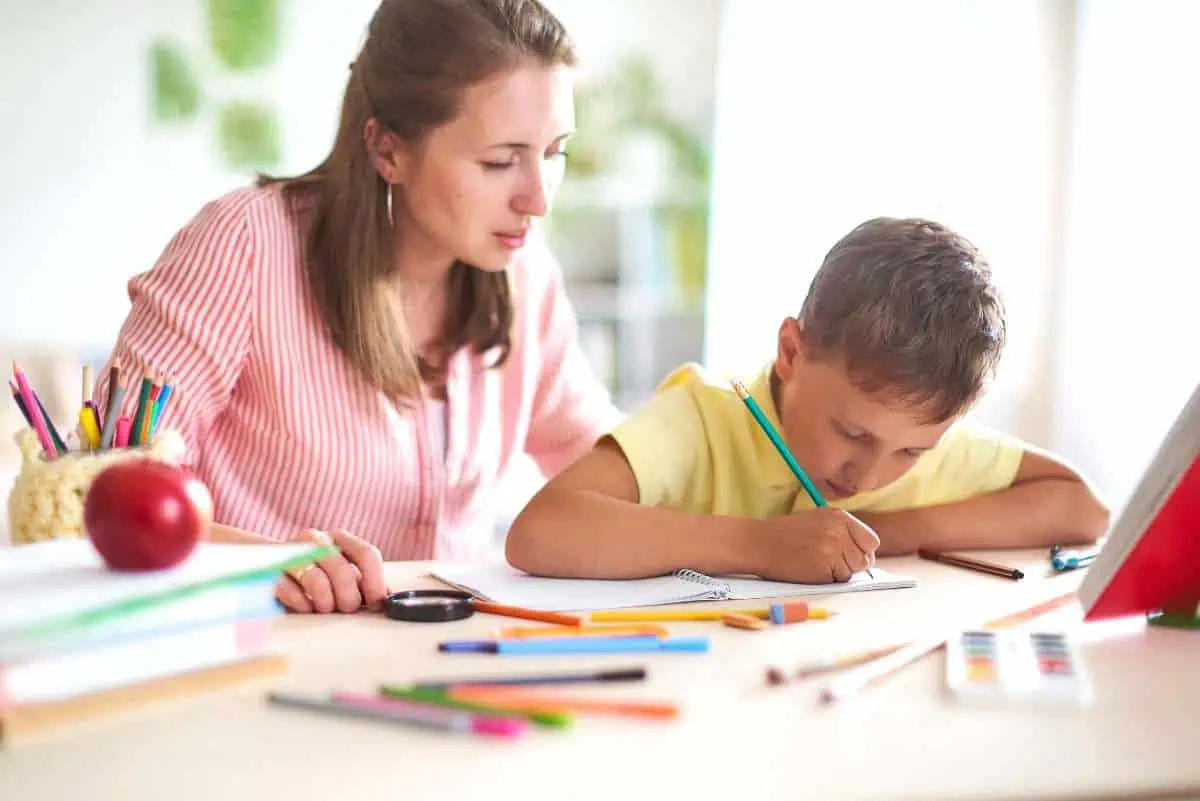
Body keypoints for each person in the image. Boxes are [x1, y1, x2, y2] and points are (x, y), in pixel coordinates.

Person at [94, 0, 618, 613]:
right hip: (252, 653)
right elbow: (101, 489)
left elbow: (605, 461)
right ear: (387, 150)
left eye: (554, 153)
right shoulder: (247, 246)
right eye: (500, 161)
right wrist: (268, 563)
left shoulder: (526, 278)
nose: (538, 200)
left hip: (452, 661)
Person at [506, 217, 1111, 582]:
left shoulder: (910, 431)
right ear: (792, 352)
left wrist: (889, 529)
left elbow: (1082, 508)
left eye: (910, 453)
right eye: (852, 434)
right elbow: (541, 532)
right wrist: (759, 544)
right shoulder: (706, 417)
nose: (870, 472)